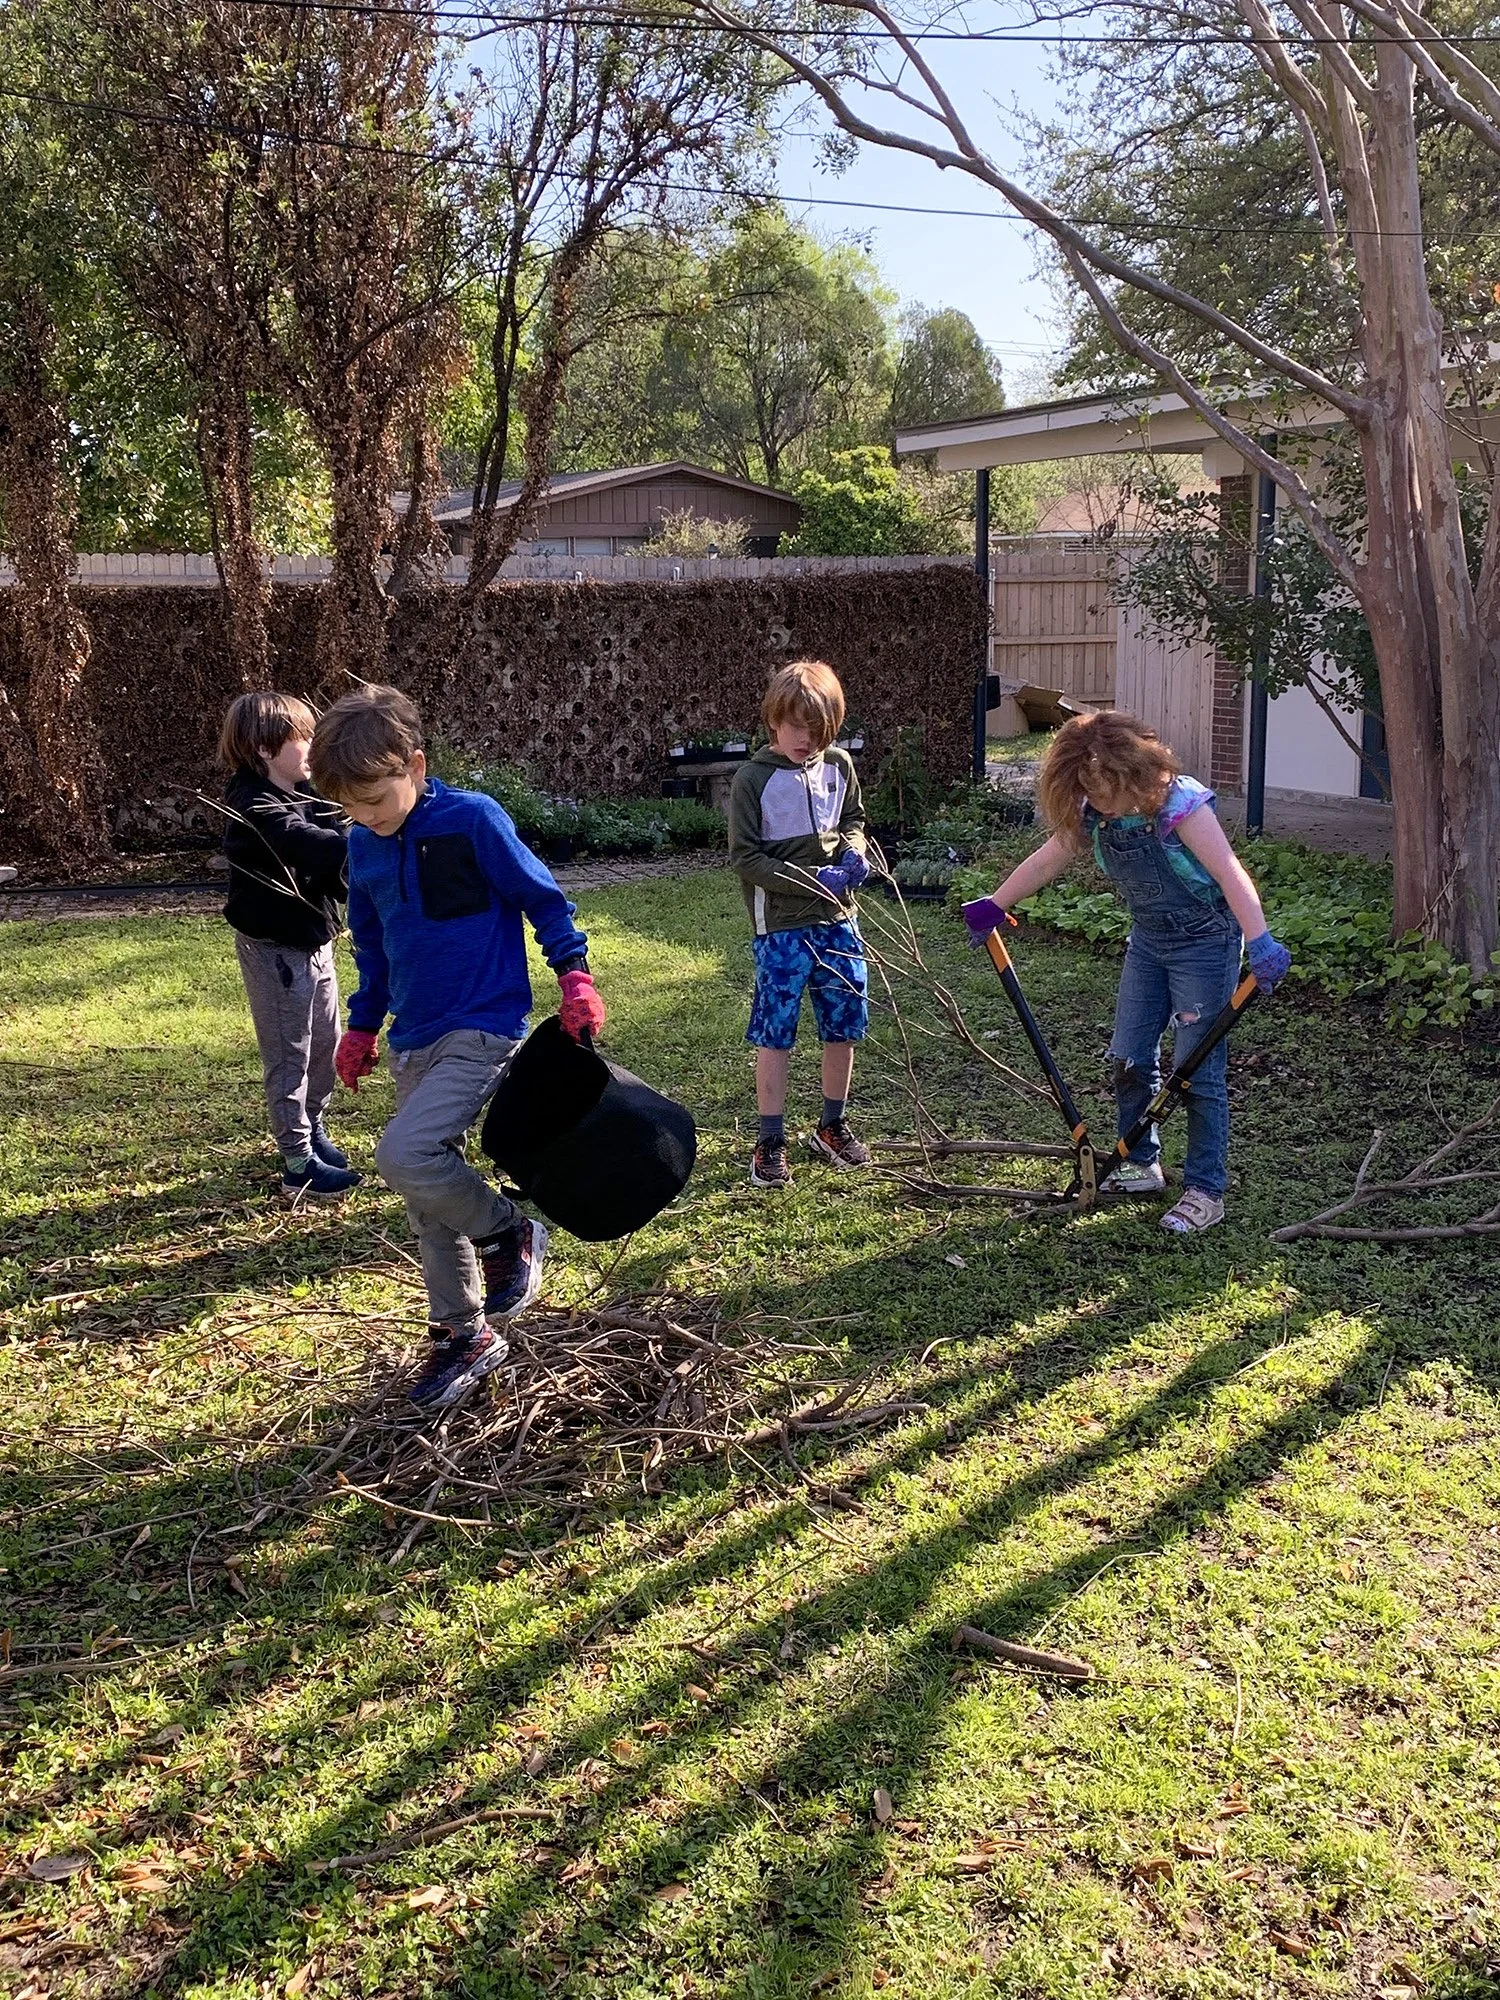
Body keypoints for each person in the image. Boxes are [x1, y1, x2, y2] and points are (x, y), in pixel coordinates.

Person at [308, 685, 606, 1409]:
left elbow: (543, 898)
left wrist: (574, 976)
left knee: (402, 1155)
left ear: (416, 763)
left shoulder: (474, 820)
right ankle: (462, 1334)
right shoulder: (361, 843)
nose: (366, 817)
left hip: (484, 1024)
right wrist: (361, 1024)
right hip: (413, 1035)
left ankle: (512, 1233)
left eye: (377, 798)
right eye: (350, 806)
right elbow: (374, 948)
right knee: (425, 1195)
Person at [962, 710, 1291, 1234]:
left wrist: (1260, 940)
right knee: (1129, 1056)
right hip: (1148, 942)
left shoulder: (1181, 807)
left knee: (1196, 1069)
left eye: (1103, 790)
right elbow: (1049, 859)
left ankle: (1206, 1189)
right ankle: (1142, 1163)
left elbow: (1230, 872)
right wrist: (994, 903)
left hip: (1205, 944)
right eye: (1085, 790)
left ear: (1131, 774)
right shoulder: (1095, 813)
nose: (1094, 803)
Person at [728, 659, 873, 1190]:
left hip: (839, 923)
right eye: (795, 726)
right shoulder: (752, 779)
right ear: (773, 721)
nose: (805, 738)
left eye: (817, 729)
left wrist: (854, 853)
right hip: (781, 928)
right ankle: (770, 1138)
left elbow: (854, 820)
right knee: (777, 1032)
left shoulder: (839, 765)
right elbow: (746, 859)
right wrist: (814, 880)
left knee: (844, 1024)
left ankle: (831, 1127)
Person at [218, 691, 362, 1201]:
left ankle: (312, 1127)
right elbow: (305, 843)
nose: (310, 748)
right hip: (276, 950)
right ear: (262, 749)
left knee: (326, 1042)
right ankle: (297, 1160)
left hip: (314, 942)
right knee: (289, 1052)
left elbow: (329, 844)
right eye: (300, 738)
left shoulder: (306, 793)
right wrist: (368, 839)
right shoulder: (251, 805)